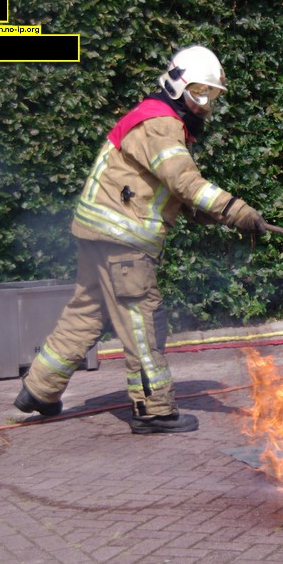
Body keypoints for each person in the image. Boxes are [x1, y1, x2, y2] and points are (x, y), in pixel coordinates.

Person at [14, 45, 265, 434]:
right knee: (142, 321)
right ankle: (154, 409)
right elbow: (184, 180)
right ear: (177, 84)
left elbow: (157, 186)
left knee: (86, 313)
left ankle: (39, 389)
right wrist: (235, 210)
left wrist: (202, 213)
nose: (204, 104)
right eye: (199, 92)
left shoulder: (150, 117)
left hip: (99, 232)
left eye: (212, 95)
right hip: (124, 240)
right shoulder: (161, 123)